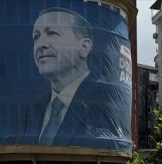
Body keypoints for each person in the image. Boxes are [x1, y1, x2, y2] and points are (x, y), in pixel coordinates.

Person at [21, 8, 127, 150]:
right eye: (36, 37)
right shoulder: (34, 109)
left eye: (52, 33)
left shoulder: (107, 99)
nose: (41, 44)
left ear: (84, 46)